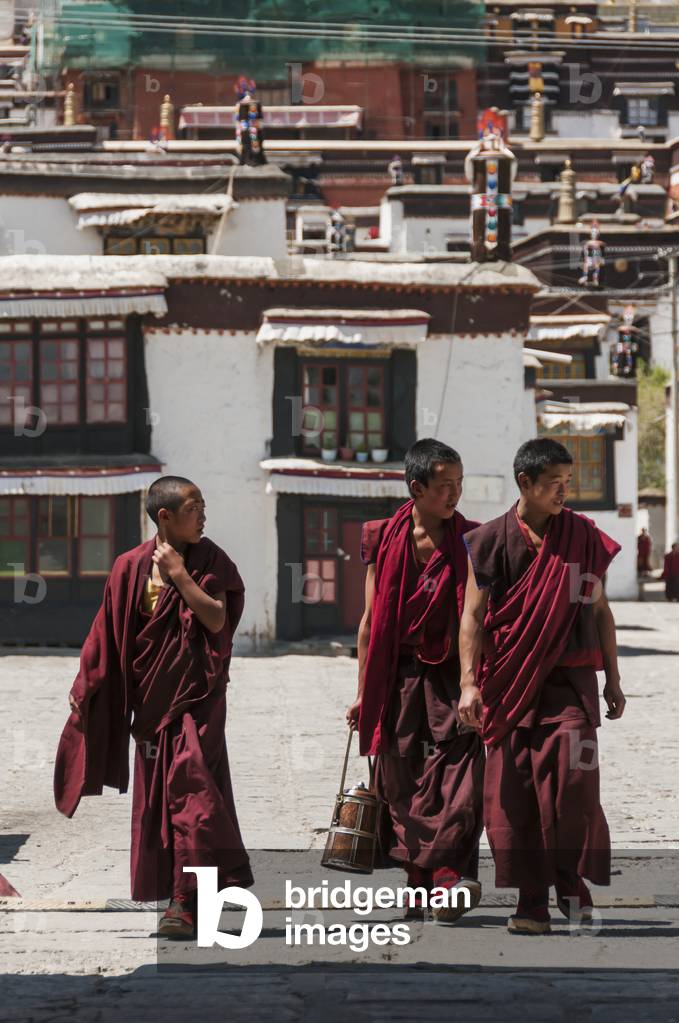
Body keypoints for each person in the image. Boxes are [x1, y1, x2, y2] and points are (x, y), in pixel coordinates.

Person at [54, 476, 252, 939]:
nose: (203, 516)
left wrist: (180, 576)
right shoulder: (129, 567)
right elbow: (105, 632)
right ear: (165, 517)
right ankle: (178, 897)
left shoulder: (210, 561)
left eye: (203, 506)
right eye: (193, 508)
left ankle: (186, 901)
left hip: (199, 701)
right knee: (163, 803)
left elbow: (217, 618)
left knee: (196, 799)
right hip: (150, 704)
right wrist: (85, 683)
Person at [459, 438, 626, 935]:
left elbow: (599, 611)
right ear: (525, 484)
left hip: (570, 687)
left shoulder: (582, 537)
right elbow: (472, 616)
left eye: (567, 483)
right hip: (509, 689)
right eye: (554, 483)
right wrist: (469, 683)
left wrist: (612, 677)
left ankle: (568, 879)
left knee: (575, 788)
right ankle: (531, 900)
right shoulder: (490, 541)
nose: (563, 492)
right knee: (516, 796)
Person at [346, 439, 485, 924]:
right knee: (399, 777)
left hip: (451, 675)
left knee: (460, 771)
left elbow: (475, 616)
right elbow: (369, 620)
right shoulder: (382, 537)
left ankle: (446, 872)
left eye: (459, 484)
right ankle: (418, 880)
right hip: (398, 674)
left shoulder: (471, 540)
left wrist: (472, 682)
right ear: (416, 487)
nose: (455, 494)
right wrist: (364, 692)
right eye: (445, 485)